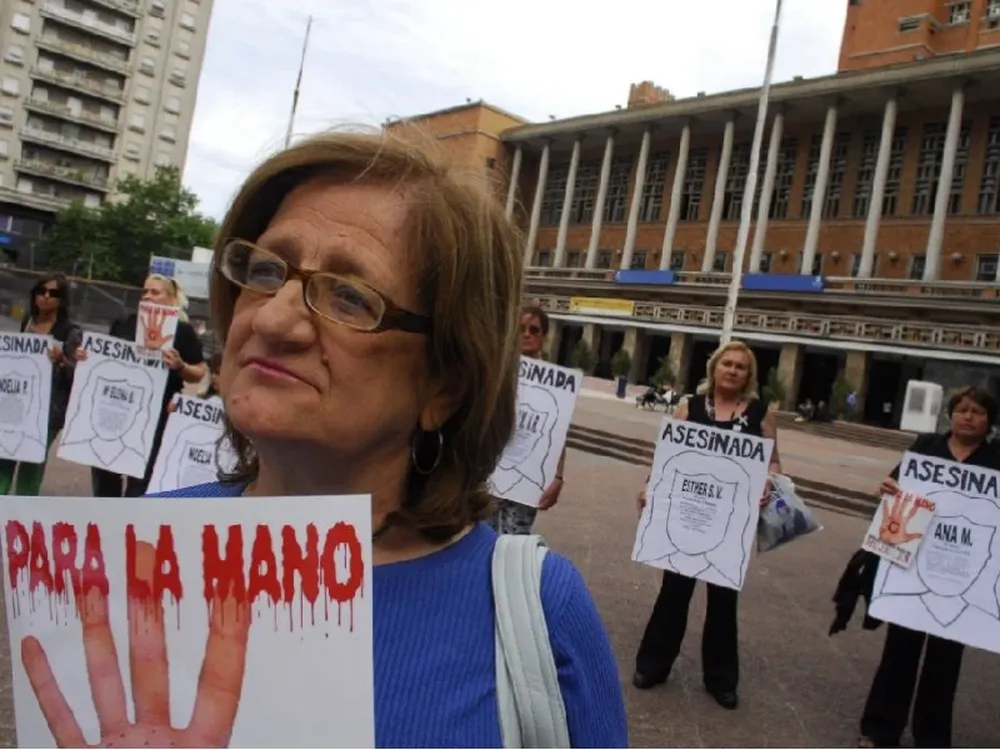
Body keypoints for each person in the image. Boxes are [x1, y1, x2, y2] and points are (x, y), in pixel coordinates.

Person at [37, 129, 627, 747]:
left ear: (445, 385)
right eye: (264, 271)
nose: (272, 319)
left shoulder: (541, 614)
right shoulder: (132, 551)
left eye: (349, 296)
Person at [632, 339, 782, 710]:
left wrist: (767, 481)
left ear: (749, 375)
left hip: (729, 523)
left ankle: (721, 679)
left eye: (740, 366)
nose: (732, 370)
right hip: (686, 517)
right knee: (673, 593)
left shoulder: (761, 413)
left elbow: (774, 462)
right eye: (726, 363)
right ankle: (653, 665)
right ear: (714, 368)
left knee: (723, 601)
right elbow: (667, 456)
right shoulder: (690, 407)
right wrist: (650, 486)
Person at [856, 385, 1000, 749]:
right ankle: (881, 729)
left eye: (978, 412)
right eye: (962, 409)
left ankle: (932, 737)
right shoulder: (925, 448)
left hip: (963, 575)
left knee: (946, 658)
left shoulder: (996, 459)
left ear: (989, 421)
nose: (968, 416)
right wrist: (889, 488)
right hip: (914, 563)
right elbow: (896, 484)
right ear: (950, 415)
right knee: (898, 650)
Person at [90, 274, 206, 497]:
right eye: (145, 292)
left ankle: (130, 526)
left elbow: (199, 373)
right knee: (106, 474)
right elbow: (104, 360)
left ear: (171, 298)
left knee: (142, 481)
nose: (148, 296)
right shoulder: (126, 324)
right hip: (120, 410)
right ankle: (105, 522)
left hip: (158, 416)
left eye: (155, 292)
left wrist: (181, 366)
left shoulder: (183, 331)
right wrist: (87, 357)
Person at [0, 273, 82, 495]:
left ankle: (21, 521)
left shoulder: (70, 332)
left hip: (48, 412)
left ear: (62, 300)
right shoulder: (28, 321)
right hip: (19, 405)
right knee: (4, 458)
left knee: (31, 466)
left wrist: (61, 360)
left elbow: (78, 372)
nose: (46, 297)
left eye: (53, 293)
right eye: (41, 291)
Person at [488, 305, 566, 535]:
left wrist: (558, 476)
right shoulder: (497, 370)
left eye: (534, 330)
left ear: (544, 337)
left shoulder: (556, 382)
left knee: (513, 543)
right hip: (491, 472)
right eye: (522, 328)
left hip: (527, 478)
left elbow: (558, 431)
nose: (527, 334)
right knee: (481, 542)